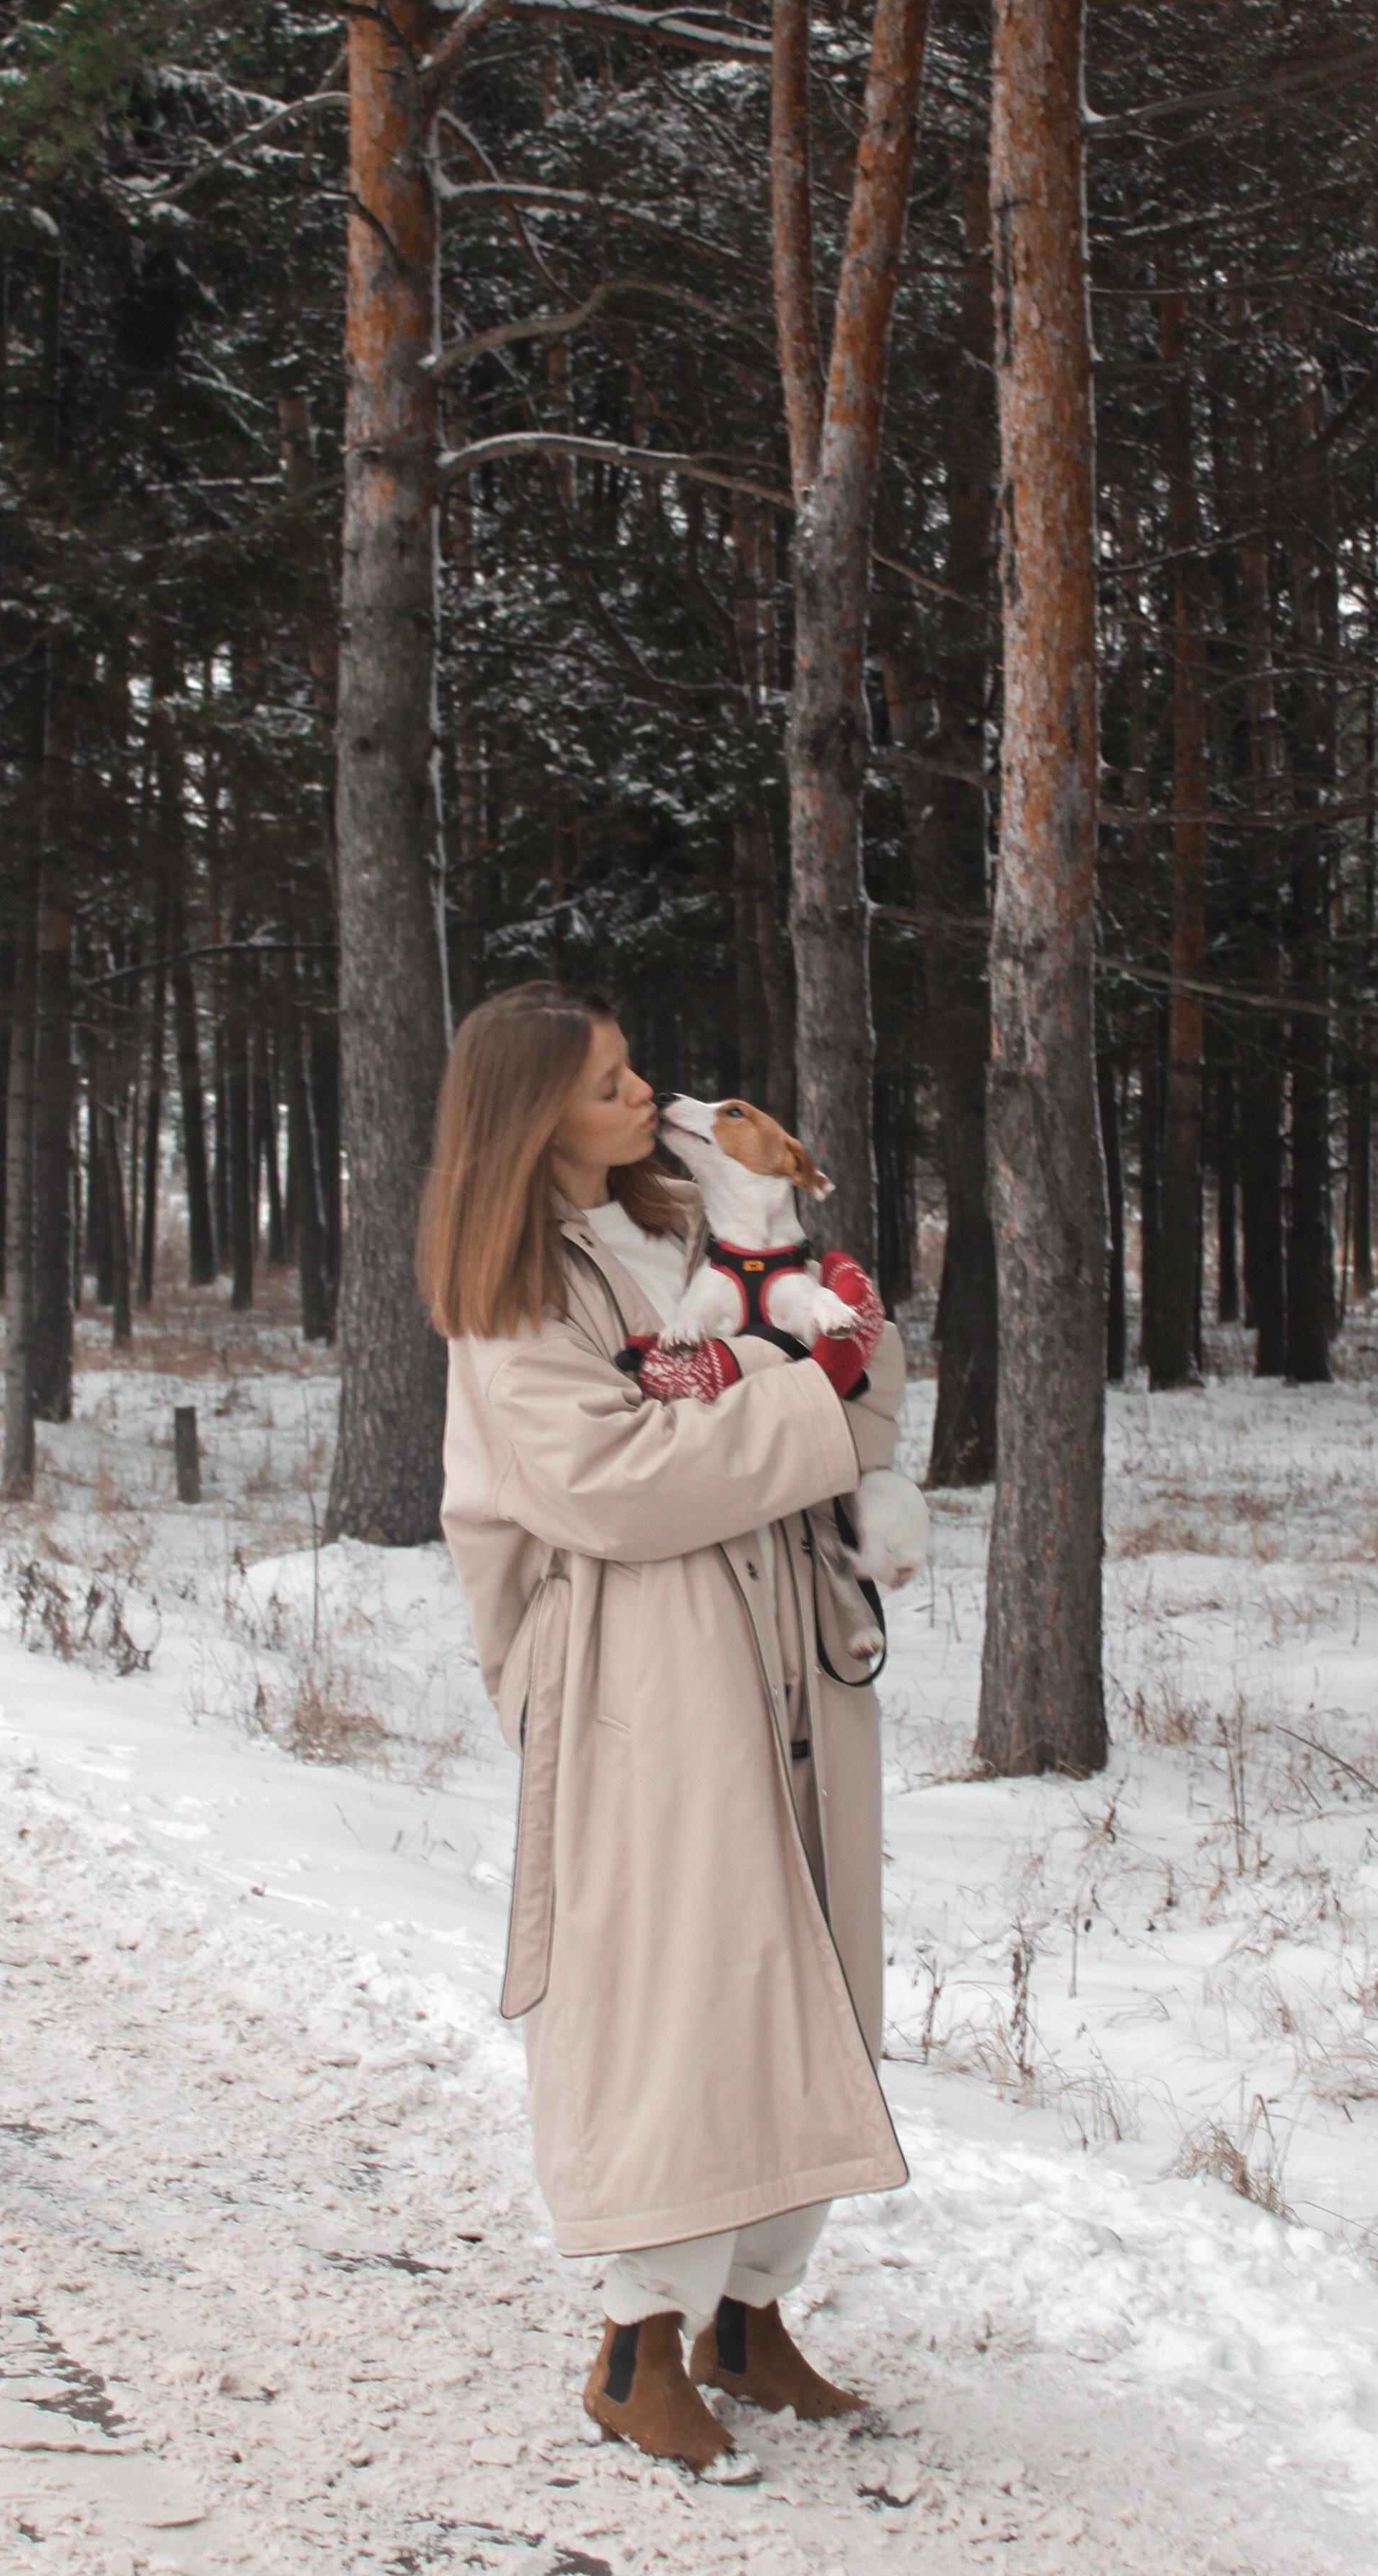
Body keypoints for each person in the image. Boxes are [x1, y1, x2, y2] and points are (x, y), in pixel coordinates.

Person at [423, 980, 908, 2471]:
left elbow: (855, 1387)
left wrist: (830, 1367)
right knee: (685, 1997)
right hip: (651, 1681)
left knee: (814, 1967)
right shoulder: (518, 1290)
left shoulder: (706, 1221)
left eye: (636, 1066)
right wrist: (794, 1405)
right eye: (608, 1082)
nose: (647, 1094)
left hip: (784, 1653)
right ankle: (639, 2344)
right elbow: (610, 1487)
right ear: (531, 1122)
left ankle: (751, 2313)